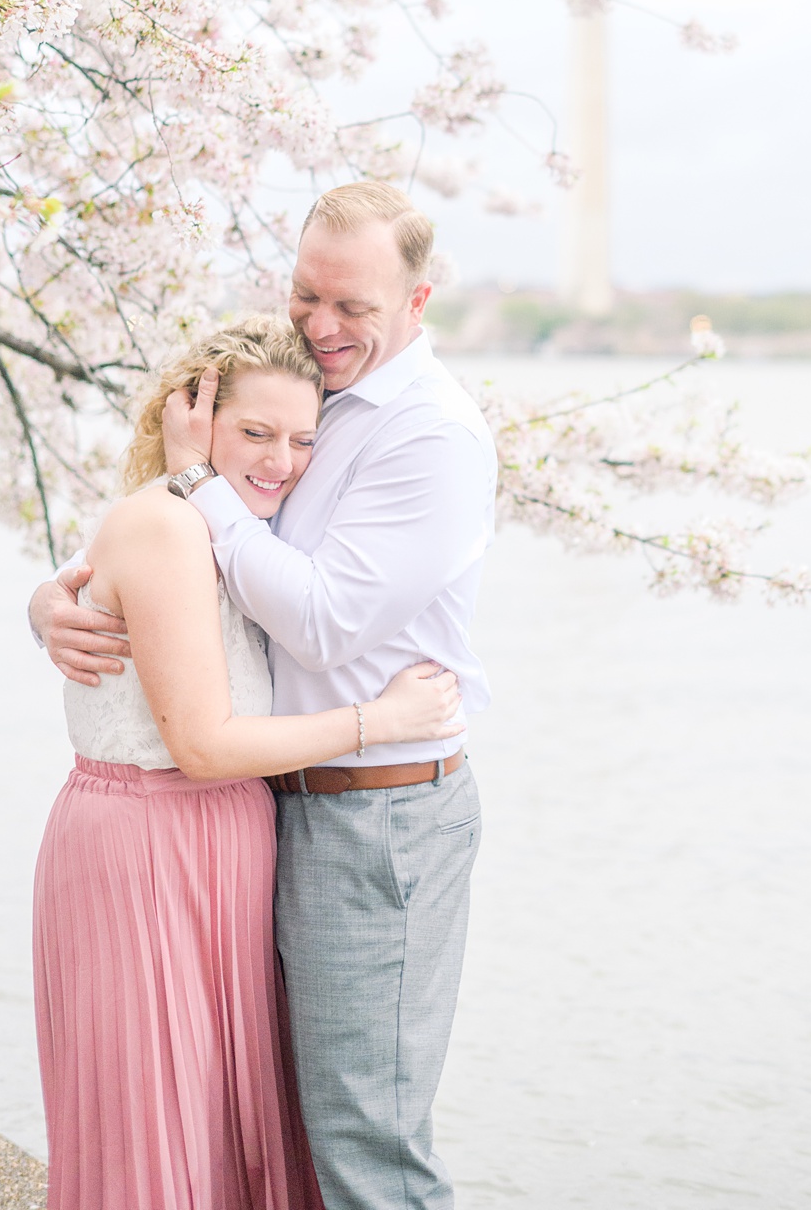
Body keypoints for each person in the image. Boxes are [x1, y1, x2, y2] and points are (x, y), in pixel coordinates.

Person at [33, 181, 499, 1210]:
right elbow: (183, 560)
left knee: (362, 1141)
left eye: (354, 308)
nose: (323, 328)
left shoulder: (428, 434)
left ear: (417, 304)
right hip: (269, 809)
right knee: (264, 1129)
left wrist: (198, 481)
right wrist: (53, 596)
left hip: (374, 811)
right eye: (307, 297)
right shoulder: (314, 395)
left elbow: (322, 617)